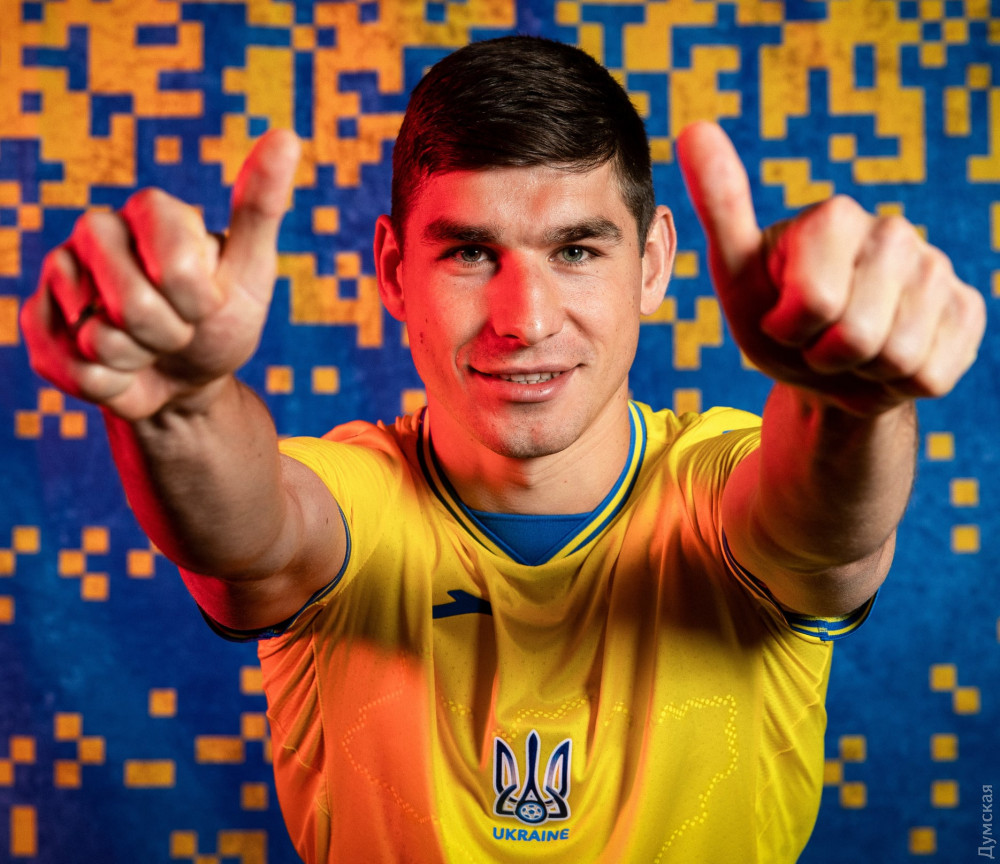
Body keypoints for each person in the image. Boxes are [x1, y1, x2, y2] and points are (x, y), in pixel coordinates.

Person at [20, 35, 984, 863]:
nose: (525, 320)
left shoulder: (718, 488)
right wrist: (180, 406)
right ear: (394, 272)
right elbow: (252, 537)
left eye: (576, 251)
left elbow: (822, 533)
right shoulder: (357, 498)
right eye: (471, 253)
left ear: (653, 263)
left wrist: (849, 406)